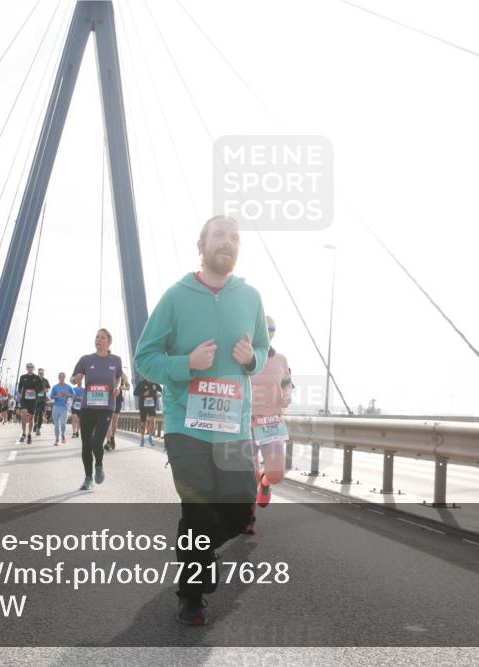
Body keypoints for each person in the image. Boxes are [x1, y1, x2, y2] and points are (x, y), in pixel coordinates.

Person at [134, 215, 269, 626]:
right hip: (186, 424)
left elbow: (262, 347)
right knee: (197, 509)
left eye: (234, 237)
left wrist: (252, 360)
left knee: (238, 507)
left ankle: (197, 557)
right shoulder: (176, 296)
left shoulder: (251, 297)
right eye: (219, 235)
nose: (226, 242)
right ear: (202, 244)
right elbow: (145, 358)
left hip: (232, 424)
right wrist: (185, 364)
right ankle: (191, 596)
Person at [248, 315, 293, 529]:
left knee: (275, 474)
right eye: (263, 329)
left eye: (270, 329)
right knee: (247, 474)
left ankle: (265, 484)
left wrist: (287, 395)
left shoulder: (281, 359)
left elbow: (288, 382)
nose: (267, 333)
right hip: (244, 421)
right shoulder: (241, 357)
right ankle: (249, 519)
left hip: (271, 421)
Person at [72, 329, 124, 490]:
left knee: (96, 441)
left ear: (109, 342)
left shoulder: (116, 360)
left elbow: (119, 377)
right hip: (88, 407)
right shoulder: (86, 360)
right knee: (86, 444)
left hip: (106, 407)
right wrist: (77, 378)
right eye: (97, 337)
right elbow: (73, 379)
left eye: (102, 338)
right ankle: (88, 478)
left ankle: (99, 465)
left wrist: (118, 387)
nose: (98, 340)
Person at [15, 362, 43, 443]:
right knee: (23, 415)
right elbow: (20, 386)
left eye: (31, 367)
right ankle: (23, 433)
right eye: (28, 367)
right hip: (24, 399)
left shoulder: (37, 378)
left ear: (33, 369)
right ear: (27, 368)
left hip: (33, 400)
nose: (30, 368)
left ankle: (29, 434)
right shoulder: (23, 377)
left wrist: (35, 391)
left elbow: (41, 388)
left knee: (31, 418)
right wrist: (20, 393)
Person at [104, 374, 130, 450]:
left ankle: (112, 438)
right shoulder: (107, 370)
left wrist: (120, 387)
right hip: (108, 397)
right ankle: (108, 441)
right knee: (109, 421)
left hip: (118, 399)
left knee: (114, 422)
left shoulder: (122, 374)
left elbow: (128, 387)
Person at [134, 377, 162, 447]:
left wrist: (159, 394)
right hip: (143, 406)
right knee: (143, 423)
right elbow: (135, 393)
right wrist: (143, 394)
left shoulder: (155, 383)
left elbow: (161, 391)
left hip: (152, 406)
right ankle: (142, 438)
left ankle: (150, 437)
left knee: (152, 420)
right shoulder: (141, 383)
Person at [49, 372, 75, 445]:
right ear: (59, 377)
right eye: (61, 377)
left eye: (63, 377)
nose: (62, 378)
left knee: (63, 424)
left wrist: (68, 394)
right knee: (56, 425)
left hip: (64, 408)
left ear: (65, 378)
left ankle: (63, 434)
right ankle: (57, 439)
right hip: (56, 407)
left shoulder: (68, 387)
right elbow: (51, 396)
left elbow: (74, 395)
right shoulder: (55, 387)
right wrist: (56, 396)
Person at [34, 367, 50, 436]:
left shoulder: (46, 381)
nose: (41, 374)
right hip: (35, 399)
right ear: (38, 373)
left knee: (41, 414)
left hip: (42, 400)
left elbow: (48, 387)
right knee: (36, 413)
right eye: (40, 373)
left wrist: (46, 390)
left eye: (42, 373)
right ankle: (35, 423)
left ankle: (38, 429)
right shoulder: (35, 380)